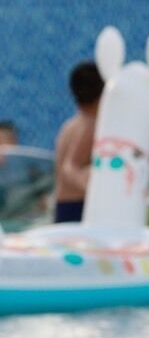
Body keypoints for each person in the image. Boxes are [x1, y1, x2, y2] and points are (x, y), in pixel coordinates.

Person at [52, 61, 104, 223]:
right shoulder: (90, 125)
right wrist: (96, 190)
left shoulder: (71, 125)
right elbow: (69, 168)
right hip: (77, 206)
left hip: (65, 204)